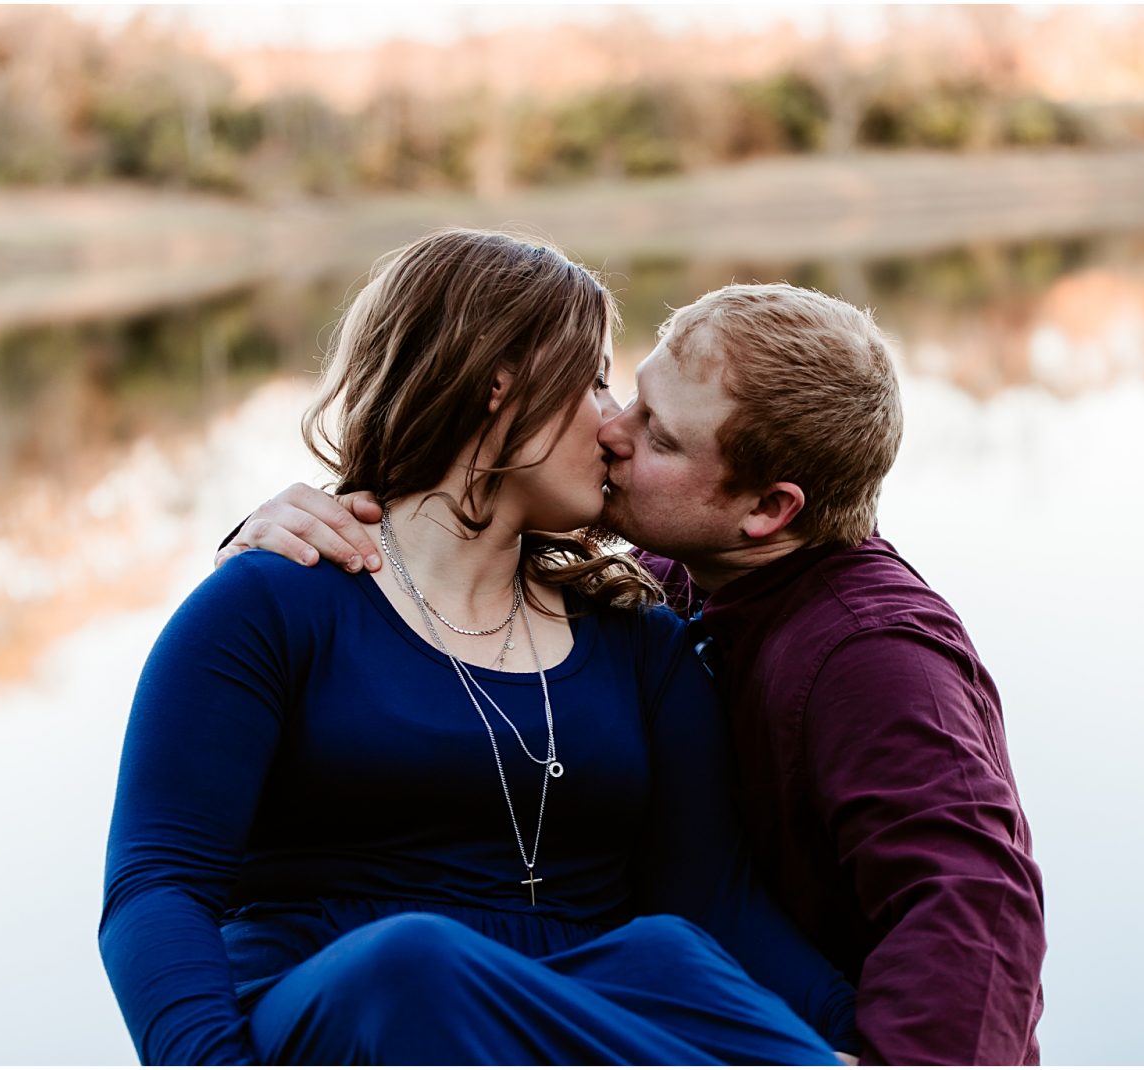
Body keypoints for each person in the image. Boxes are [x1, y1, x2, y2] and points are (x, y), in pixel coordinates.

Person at [232, 281, 1049, 1064]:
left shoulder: (874, 657)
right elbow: (461, 555)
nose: (612, 431)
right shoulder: (668, 583)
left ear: (768, 510)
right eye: (630, 395)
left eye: (657, 435)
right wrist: (293, 541)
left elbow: (976, 905)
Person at [100, 230, 864, 1065]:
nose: (614, 429)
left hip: (579, 1012)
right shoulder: (268, 603)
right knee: (415, 961)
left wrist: (879, 1040)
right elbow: (158, 888)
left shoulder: (640, 642)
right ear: (499, 386)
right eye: (596, 382)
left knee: (670, 958)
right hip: (351, 1005)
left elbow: (721, 905)